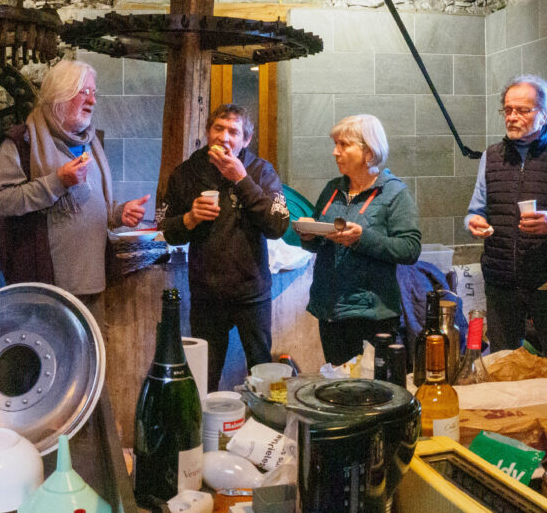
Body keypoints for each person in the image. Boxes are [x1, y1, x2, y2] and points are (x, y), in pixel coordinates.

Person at [0, 59, 149, 314]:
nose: (93, 101)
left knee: (92, 354)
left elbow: (91, 202)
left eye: (94, 93)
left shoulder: (91, 143)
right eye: (84, 92)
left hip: (93, 284)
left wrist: (118, 212)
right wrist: (56, 182)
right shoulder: (24, 143)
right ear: (59, 96)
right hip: (43, 289)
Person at [159, 104, 290, 391]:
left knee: (262, 375)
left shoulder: (260, 171)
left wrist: (241, 179)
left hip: (252, 293)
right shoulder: (186, 173)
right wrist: (189, 218)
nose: (225, 137)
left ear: (246, 140)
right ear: (208, 133)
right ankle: (204, 433)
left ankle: (265, 431)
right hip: (207, 295)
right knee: (203, 378)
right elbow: (166, 229)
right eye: (218, 128)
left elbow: (278, 225)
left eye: (233, 131)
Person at [465, 75, 547, 370]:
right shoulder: (491, 157)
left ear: (545, 114)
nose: (512, 117)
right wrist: (474, 222)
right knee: (503, 369)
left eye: (523, 110)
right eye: (508, 110)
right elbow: (474, 210)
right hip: (501, 284)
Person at [300, 114, 422, 366]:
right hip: (330, 312)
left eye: (344, 145)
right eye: (336, 144)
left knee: (374, 395)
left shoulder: (394, 193)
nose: (335, 152)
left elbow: (410, 249)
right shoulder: (333, 189)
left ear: (369, 152)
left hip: (372, 317)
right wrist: (309, 235)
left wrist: (361, 239)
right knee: (340, 391)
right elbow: (320, 243)